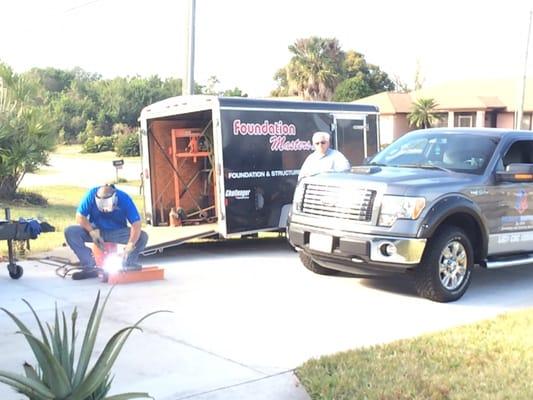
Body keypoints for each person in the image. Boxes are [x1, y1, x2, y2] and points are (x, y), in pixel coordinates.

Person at [64, 184, 148, 279]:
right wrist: (92, 232)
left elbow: (136, 224)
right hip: (96, 231)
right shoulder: (91, 195)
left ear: (115, 199)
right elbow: (80, 216)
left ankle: (128, 263)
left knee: (142, 237)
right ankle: (90, 267)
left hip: (117, 232)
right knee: (71, 232)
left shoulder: (124, 198)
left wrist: (130, 244)